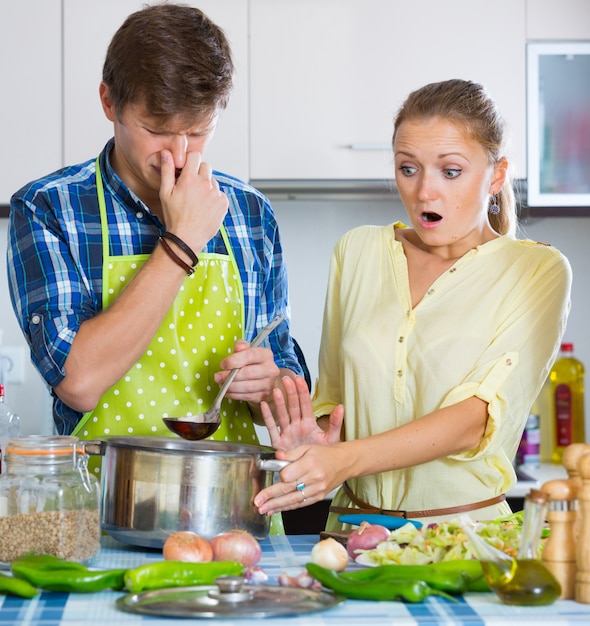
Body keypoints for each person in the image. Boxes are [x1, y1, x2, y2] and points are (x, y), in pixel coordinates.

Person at [253, 78, 572, 530]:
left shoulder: (536, 270)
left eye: (451, 171)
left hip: (466, 540)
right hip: (349, 536)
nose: (425, 192)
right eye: (408, 168)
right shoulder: (357, 251)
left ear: (496, 175)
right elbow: (336, 397)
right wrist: (320, 439)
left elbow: (476, 419)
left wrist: (346, 460)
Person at [6, 3, 306, 468]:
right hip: (105, 513)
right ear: (109, 102)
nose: (180, 154)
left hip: (232, 511)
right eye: (159, 131)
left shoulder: (250, 213)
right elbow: (79, 382)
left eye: (198, 131)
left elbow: (286, 373)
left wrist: (269, 386)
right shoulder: (49, 208)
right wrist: (181, 241)